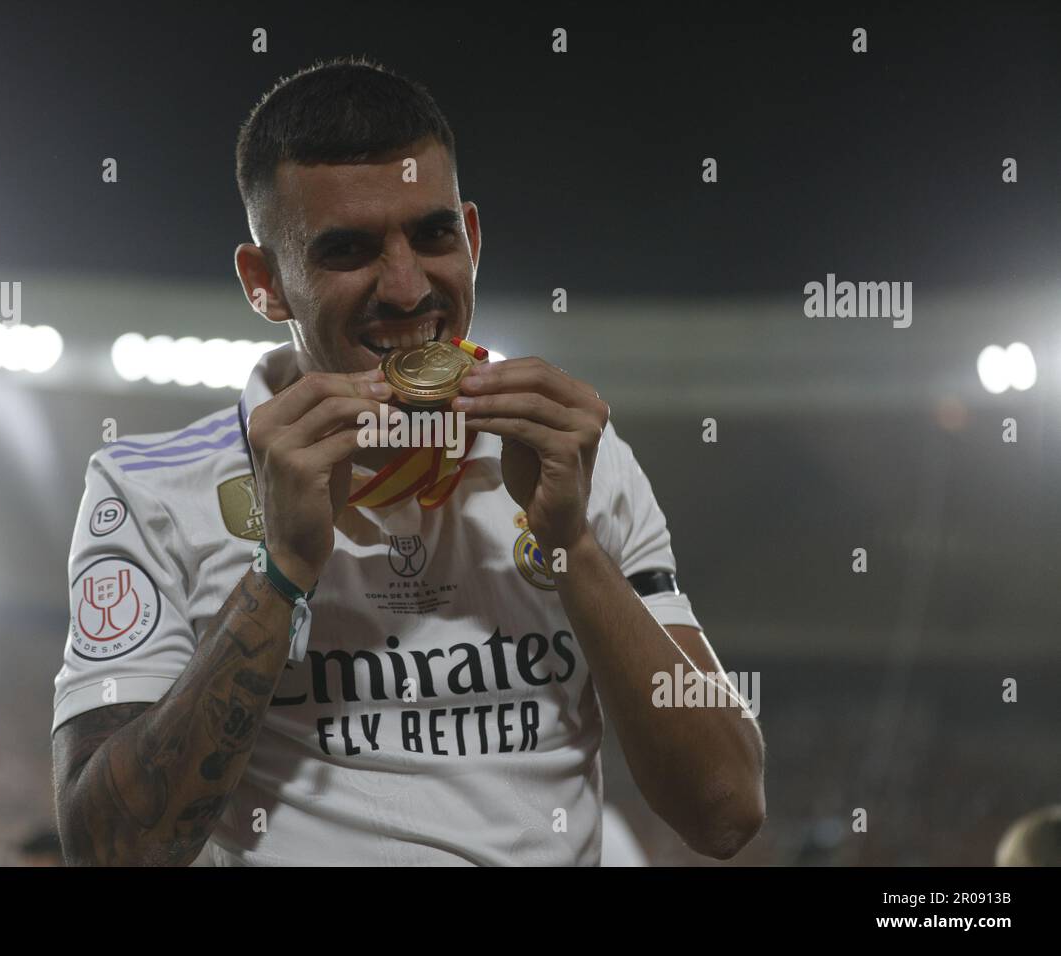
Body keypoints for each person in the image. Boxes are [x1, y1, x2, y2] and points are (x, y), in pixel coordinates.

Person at [50, 55, 765, 866]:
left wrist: (573, 546)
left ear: (473, 236)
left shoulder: (577, 456)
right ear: (265, 283)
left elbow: (725, 812)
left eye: (432, 236)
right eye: (347, 250)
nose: (404, 288)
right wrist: (280, 570)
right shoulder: (150, 490)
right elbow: (109, 851)